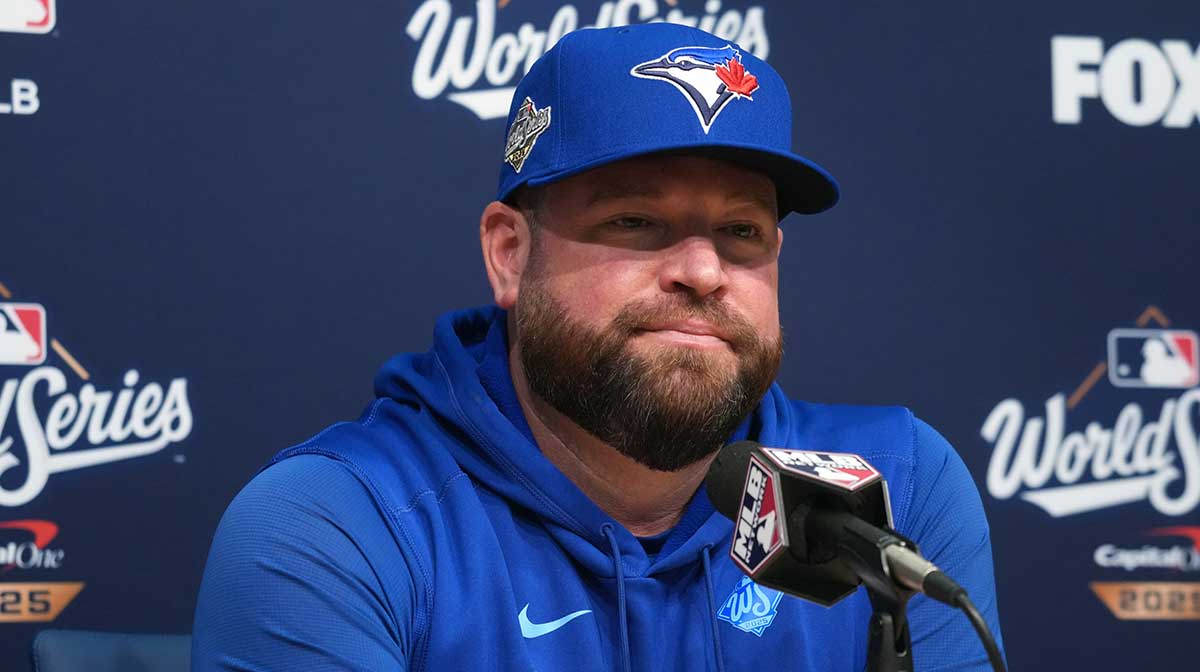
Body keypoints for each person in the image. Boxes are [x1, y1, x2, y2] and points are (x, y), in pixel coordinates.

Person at [192, 22, 1005, 671]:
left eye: (741, 231)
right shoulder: (341, 525)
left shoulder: (892, 492)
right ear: (510, 253)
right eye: (634, 221)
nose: (702, 270)